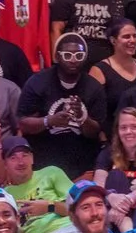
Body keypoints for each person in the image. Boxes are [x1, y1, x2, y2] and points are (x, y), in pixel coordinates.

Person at [18, 33, 106, 182]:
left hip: (83, 167)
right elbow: (23, 123)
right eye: (67, 55)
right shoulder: (37, 82)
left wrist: (82, 118)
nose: (73, 60)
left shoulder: (94, 87)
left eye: (78, 55)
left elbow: (96, 131)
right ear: (57, 57)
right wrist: (49, 121)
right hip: (43, 168)